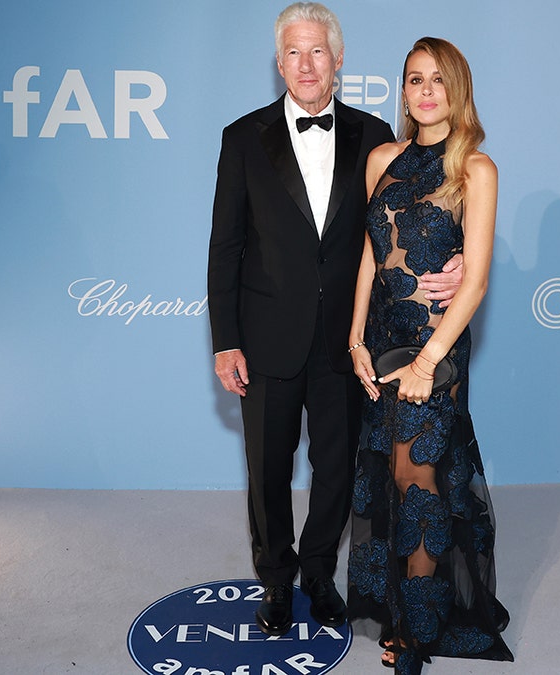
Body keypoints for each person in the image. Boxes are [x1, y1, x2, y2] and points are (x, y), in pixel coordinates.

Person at [207, 3, 463, 637]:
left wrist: (455, 261)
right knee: (266, 470)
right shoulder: (242, 138)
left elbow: (420, 212)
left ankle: (319, 575)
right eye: (293, 52)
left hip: (349, 341)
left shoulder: (376, 138)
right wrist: (225, 342)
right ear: (279, 62)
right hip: (266, 338)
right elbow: (225, 246)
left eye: (317, 51)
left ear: (339, 59)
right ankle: (275, 579)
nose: (306, 64)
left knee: (337, 468)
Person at [346, 37, 513, 673]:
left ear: (457, 89)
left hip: (435, 345)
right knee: (393, 480)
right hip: (384, 339)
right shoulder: (382, 159)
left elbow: (476, 281)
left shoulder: (476, 167)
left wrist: (427, 360)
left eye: (437, 80)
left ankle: (416, 633)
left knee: (417, 480)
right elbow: (369, 254)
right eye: (414, 79)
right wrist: (355, 337)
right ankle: (408, 607)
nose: (424, 91)